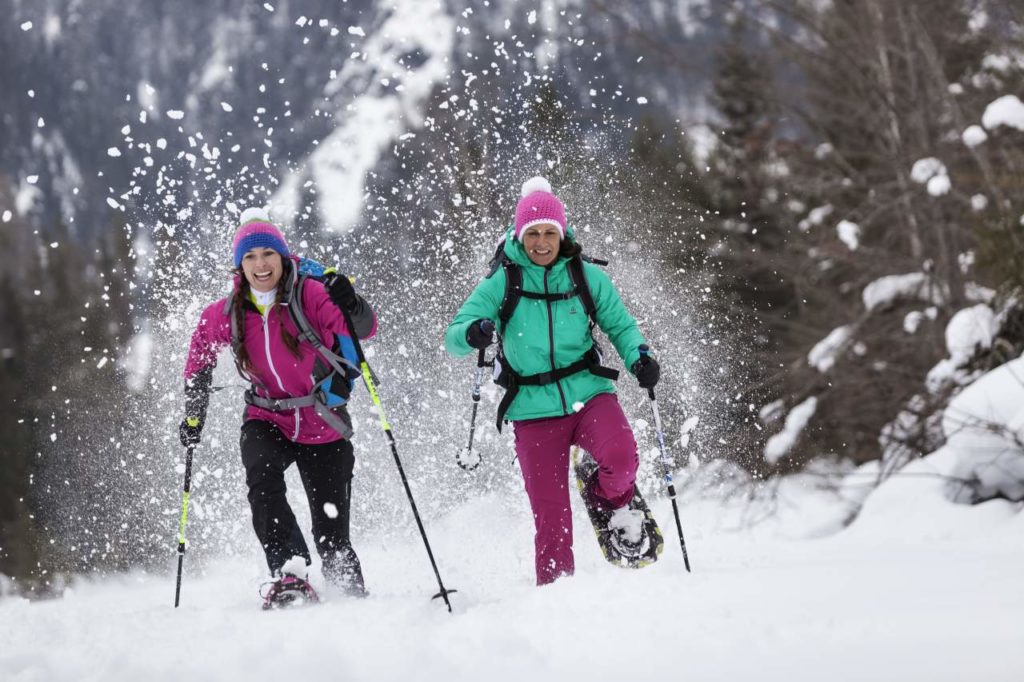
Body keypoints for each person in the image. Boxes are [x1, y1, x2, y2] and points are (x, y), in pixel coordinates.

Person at [444, 177, 661, 585]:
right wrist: (472, 332)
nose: (541, 242)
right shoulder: (503, 281)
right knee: (552, 519)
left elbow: (621, 326)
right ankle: (556, 598)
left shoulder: (586, 277)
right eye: (532, 233)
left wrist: (640, 358)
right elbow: (454, 335)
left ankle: (607, 497)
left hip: (589, 392)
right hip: (532, 408)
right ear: (519, 235)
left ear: (562, 235)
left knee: (621, 459)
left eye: (549, 233)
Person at [179, 208, 377, 603]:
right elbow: (199, 353)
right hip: (266, 416)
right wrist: (194, 410)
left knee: (332, 536)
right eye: (250, 257)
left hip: (322, 418)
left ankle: (348, 594)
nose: (260, 264)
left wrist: (351, 301)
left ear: (283, 258)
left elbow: (364, 329)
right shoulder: (229, 312)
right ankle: (289, 569)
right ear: (240, 265)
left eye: (267, 253)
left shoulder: (311, 295)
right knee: (262, 480)